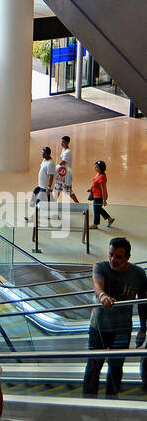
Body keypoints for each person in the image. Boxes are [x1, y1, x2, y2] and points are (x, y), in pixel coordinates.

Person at [83, 238, 147, 397]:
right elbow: (98, 285)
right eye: (111, 255)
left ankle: (111, 401)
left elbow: (143, 303)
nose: (113, 260)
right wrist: (103, 296)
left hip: (122, 329)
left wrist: (143, 329)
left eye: (118, 257)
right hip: (99, 327)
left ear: (127, 257)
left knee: (116, 367)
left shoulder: (138, 274)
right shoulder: (100, 267)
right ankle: (88, 404)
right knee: (93, 366)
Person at [26, 145, 56, 219]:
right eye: (42, 152)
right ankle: (55, 215)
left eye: (44, 153)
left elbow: (51, 176)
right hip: (41, 185)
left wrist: (48, 188)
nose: (42, 154)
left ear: (48, 154)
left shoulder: (50, 163)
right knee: (36, 192)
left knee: (39, 202)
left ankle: (32, 217)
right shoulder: (44, 160)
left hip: (45, 188)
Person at [88, 159, 115, 229]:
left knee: (96, 210)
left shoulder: (102, 177)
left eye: (96, 167)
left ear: (100, 168)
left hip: (99, 196)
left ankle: (95, 224)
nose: (95, 168)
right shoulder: (98, 174)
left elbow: (103, 189)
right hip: (95, 194)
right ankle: (110, 219)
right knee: (99, 209)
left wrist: (104, 200)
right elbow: (94, 182)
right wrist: (91, 188)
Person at [54, 134, 78, 204]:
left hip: (66, 175)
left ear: (67, 143)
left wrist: (55, 168)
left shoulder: (68, 152)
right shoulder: (64, 150)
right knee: (57, 189)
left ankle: (78, 204)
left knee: (69, 191)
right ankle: (53, 203)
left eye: (63, 142)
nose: (62, 143)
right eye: (61, 142)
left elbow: (63, 162)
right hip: (62, 174)